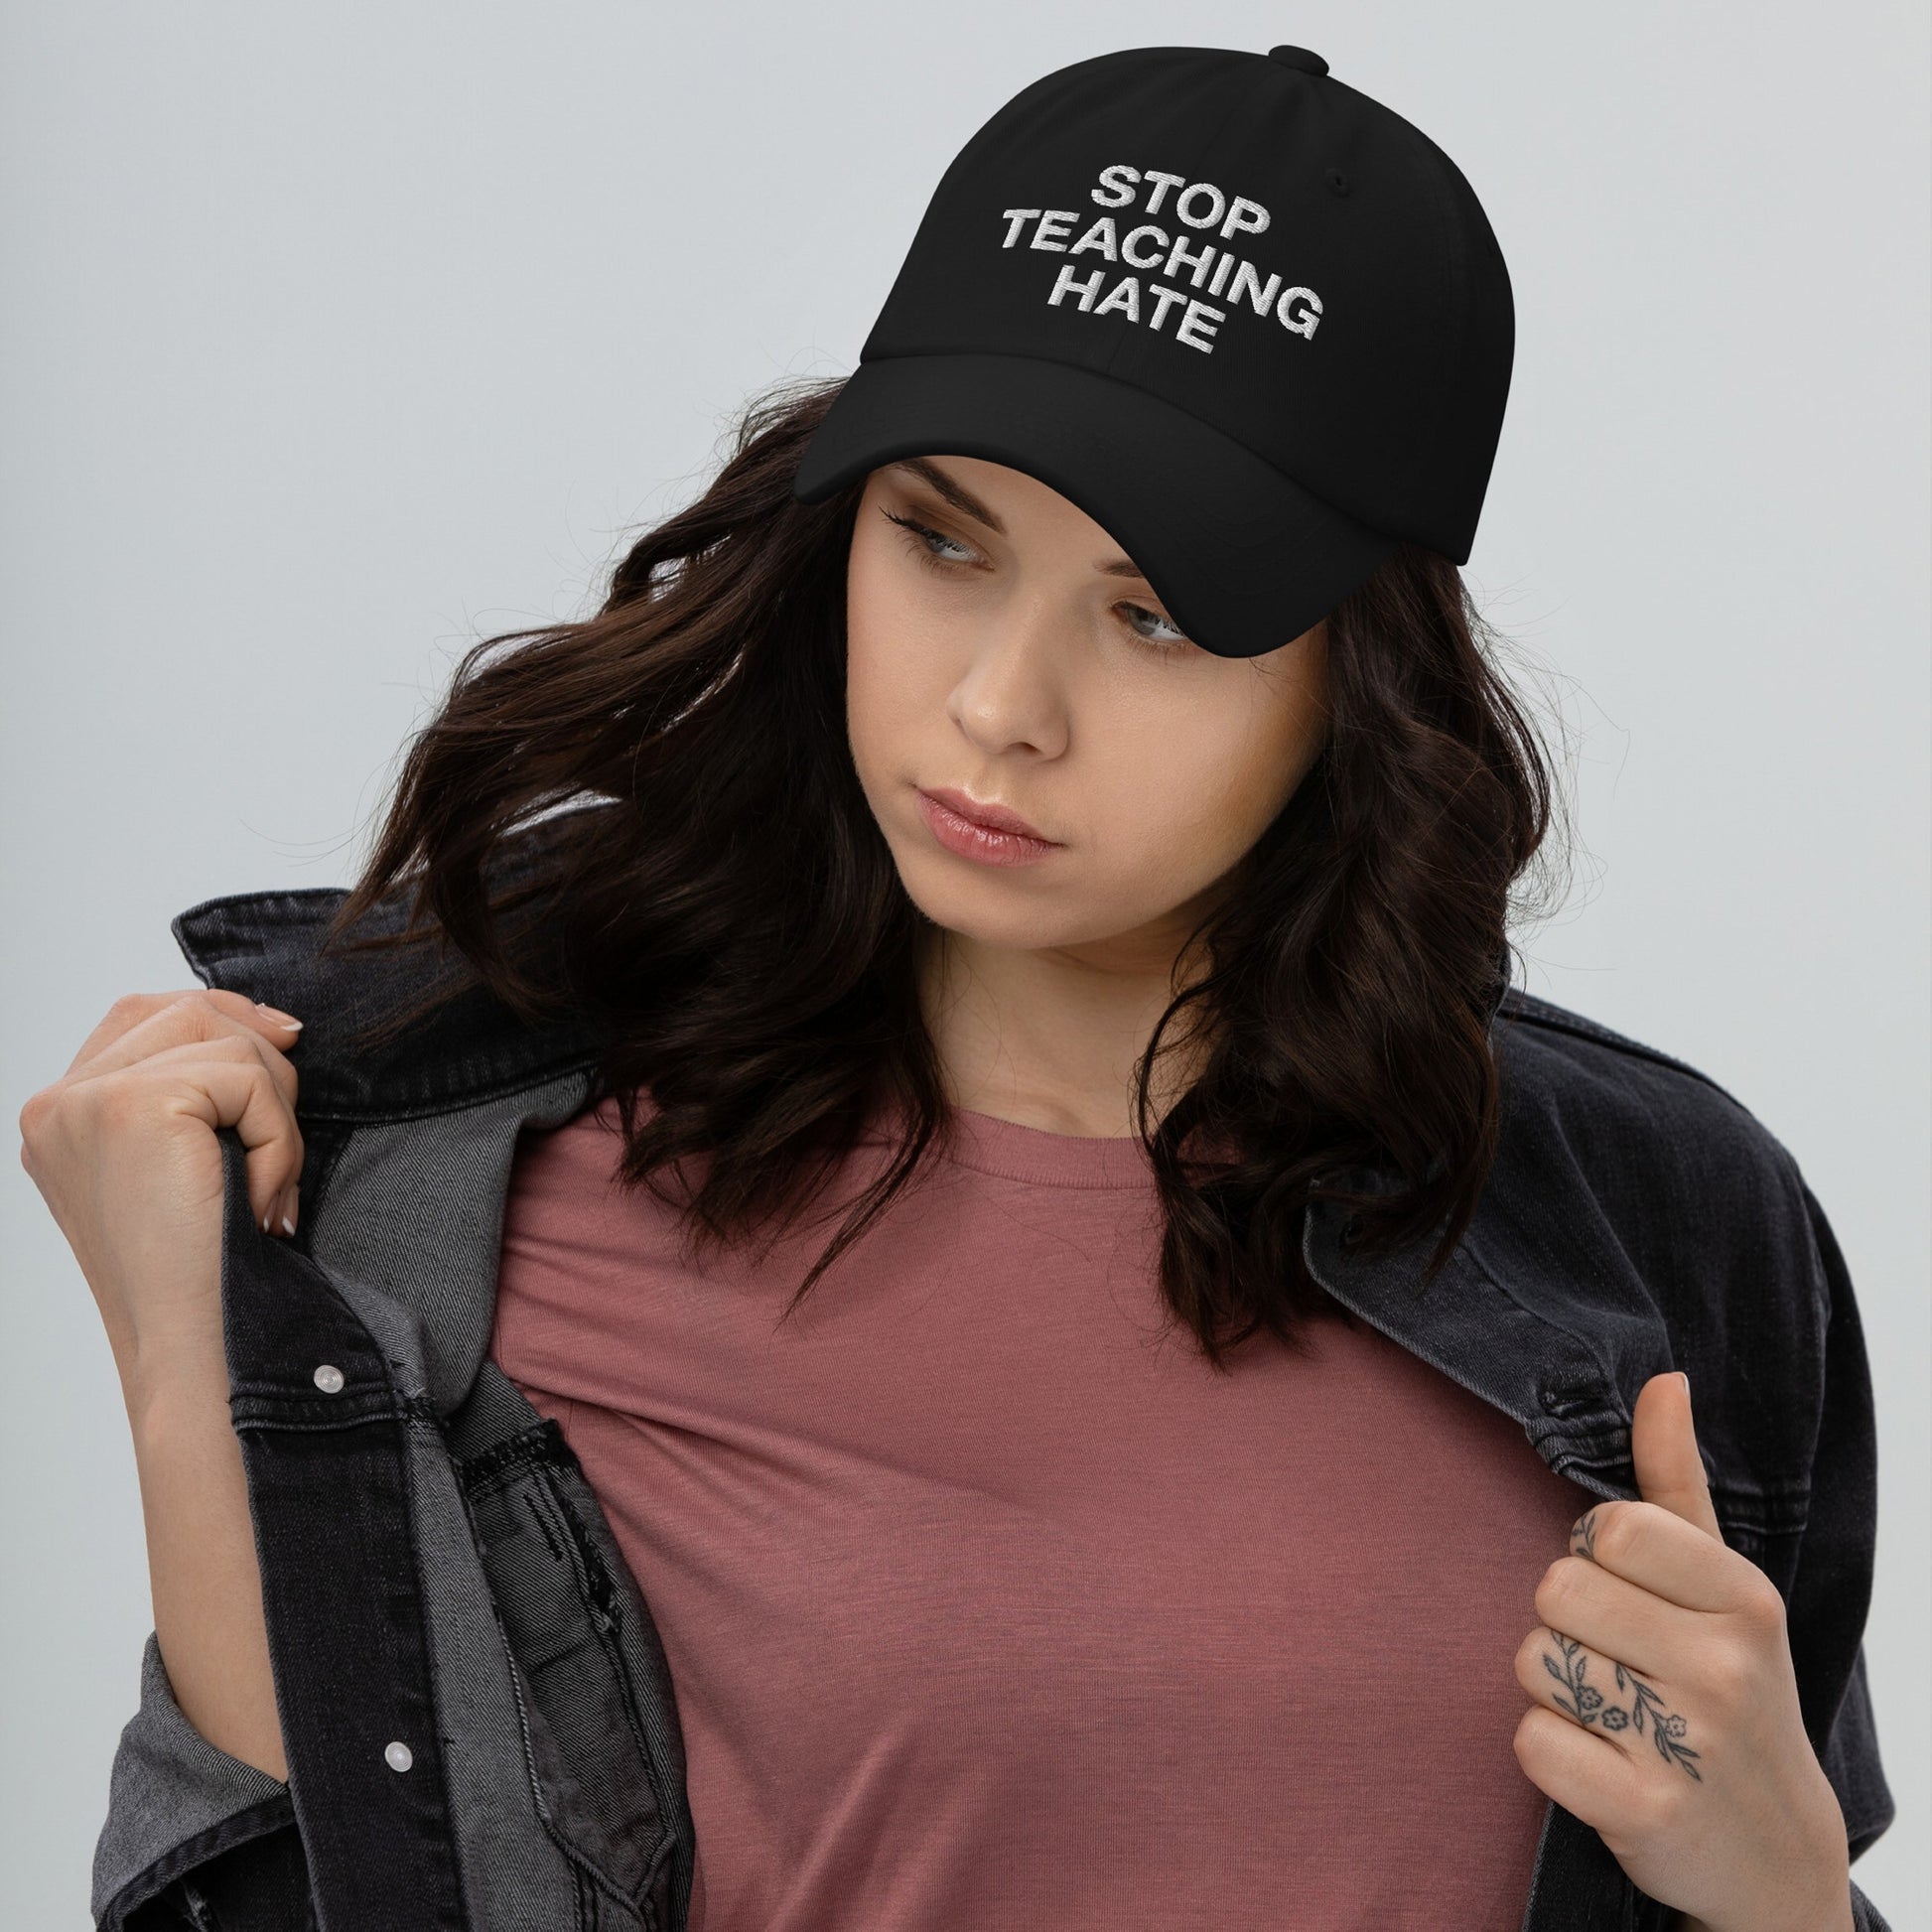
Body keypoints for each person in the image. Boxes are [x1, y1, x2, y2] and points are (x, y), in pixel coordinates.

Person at [19, 42, 1893, 1932]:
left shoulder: (1657, 1216)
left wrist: (1792, 1901)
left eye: (1152, 614)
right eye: (941, 538)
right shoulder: (463, 1182)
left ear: (1359, 679)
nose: (1000, 705)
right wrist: (195, 1361)